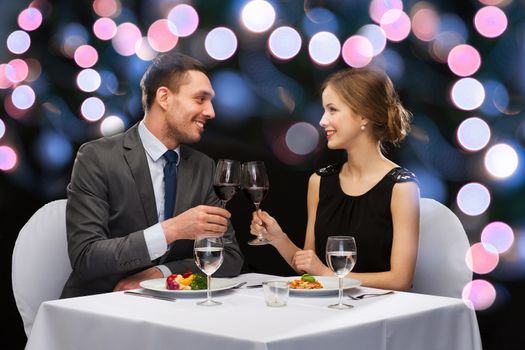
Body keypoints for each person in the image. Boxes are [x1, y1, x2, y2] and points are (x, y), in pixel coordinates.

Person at [61, 51, 243, 298]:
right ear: (164, 98)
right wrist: (171, 230)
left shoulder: (203, 167)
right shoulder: (97, 158)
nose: (211, 112)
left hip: (173, 311)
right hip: (101, 307)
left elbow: (229, 256)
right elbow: (86, 257)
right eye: (201, 99)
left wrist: (162, 272)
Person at [250, 68, 420, 291]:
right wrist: (278, 238)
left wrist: (327, 274)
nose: (322, 121)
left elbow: (400, 280)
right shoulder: (319, 181)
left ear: (363, 116)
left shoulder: (402, 187)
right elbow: (309, 268)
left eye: (332, 110)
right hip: (327, 309)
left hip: (378, 315)